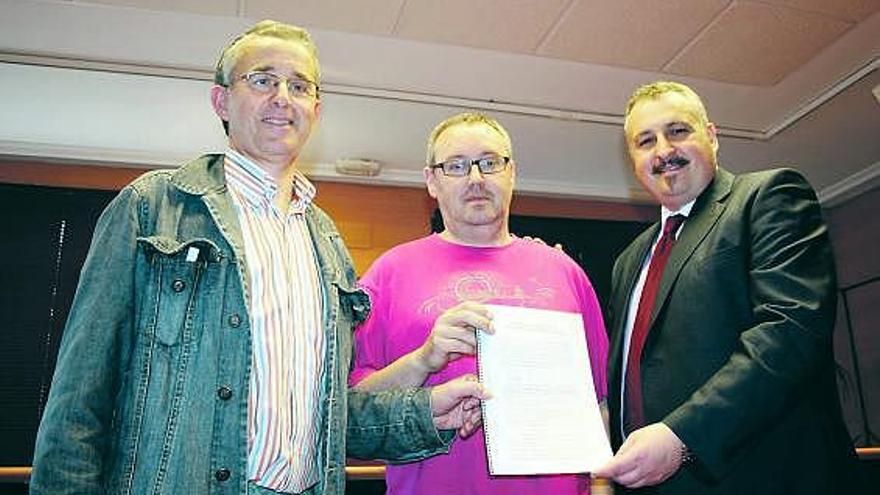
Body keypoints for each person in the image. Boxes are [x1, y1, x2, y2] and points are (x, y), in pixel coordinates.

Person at [29, 20, 487, 495]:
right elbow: (78, 400)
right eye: (263, 80)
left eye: (299, 85)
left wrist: (430, 410)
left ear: (315, 108)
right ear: (221, 101)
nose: (282, 97)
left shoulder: (326, 243)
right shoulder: (152, 207)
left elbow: (332, 418)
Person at [593, 81, 859, 493]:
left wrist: (682, 437)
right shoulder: (629, 260)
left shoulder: (768, 197)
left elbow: (789, 333)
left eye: (677, 131)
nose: (663, 150)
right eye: (646, 141)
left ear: (712, 137)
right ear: (634, 160)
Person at [349, 112, 609, 494]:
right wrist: (423, 359)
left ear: (512, 173)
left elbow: (598, 404)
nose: (475, 178)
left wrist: (603, 485)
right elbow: (354, 409)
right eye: (455, 166)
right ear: (431, 181)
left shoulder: (564, 271)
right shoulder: (389, 272)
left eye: (489, 163)